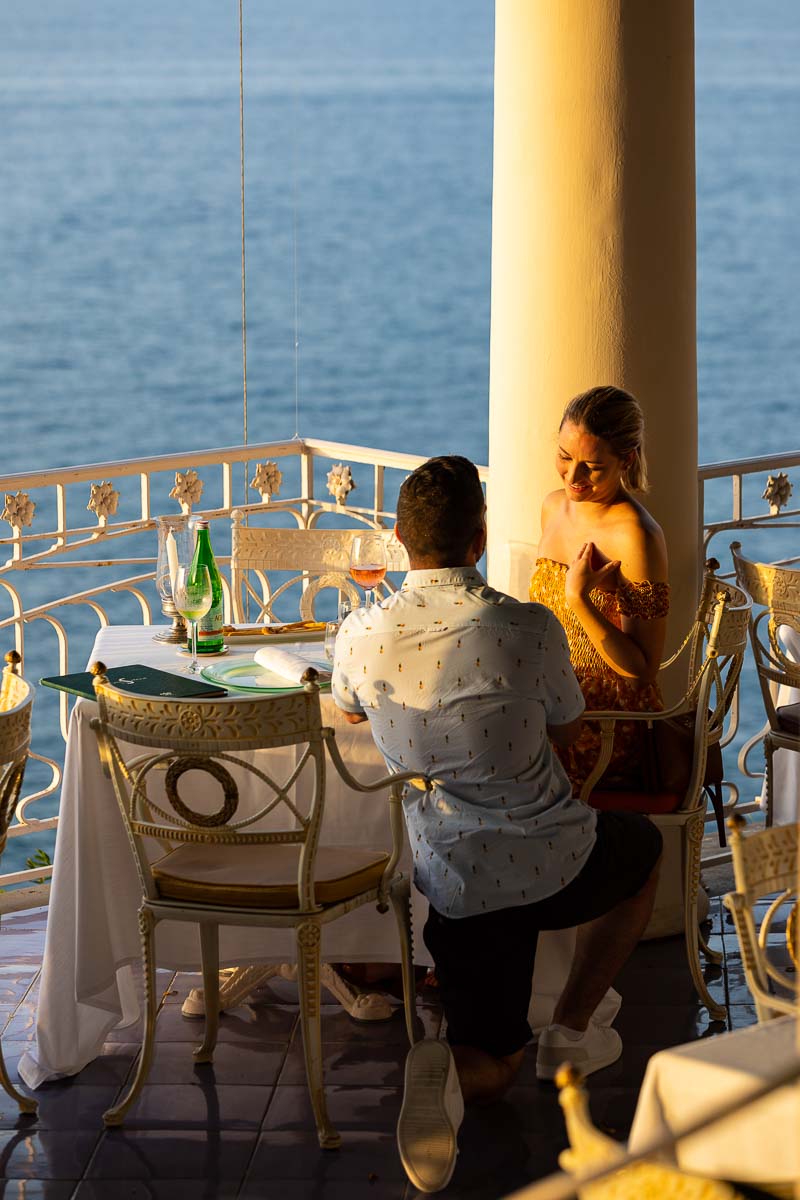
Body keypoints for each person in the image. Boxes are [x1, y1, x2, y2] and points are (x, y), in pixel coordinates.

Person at [331, 455, 662, 1194]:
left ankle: (449, 1071)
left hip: (459, 882)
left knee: (493, 1065)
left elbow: (351, 706)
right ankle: (572, 1031)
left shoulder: (359, 633)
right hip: (560, 860)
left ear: (396, 537)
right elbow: (569, 730)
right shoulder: (527, 625)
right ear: (479, 538)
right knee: (640, 850)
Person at [529, 386, 669, 793]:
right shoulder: (552, 507)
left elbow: (642, 671)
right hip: (551, 696)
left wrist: (580, 601)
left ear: (626, 460)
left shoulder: (636, 535)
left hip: (606, 723)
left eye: (591, 466)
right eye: (565, 457)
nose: (573, 477)